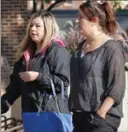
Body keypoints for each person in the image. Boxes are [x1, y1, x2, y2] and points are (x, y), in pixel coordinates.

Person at [1, 11, 71, 120]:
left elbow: (62, 83)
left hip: (52, 115)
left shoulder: (57, 51)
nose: (32, 29)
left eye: (37, 26)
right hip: (30, 115)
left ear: (47, 28)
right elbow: (14, 88)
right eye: (31, 26)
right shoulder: (25, 56)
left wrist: (38, 76)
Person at [68, 1, 126, 132]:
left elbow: (117, 86)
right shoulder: (81, 46)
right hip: (79, 117)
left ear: (94, 20)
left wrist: (101, 112)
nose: (76, 21)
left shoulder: (111, 48)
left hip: (102, 119)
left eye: (80, 17)